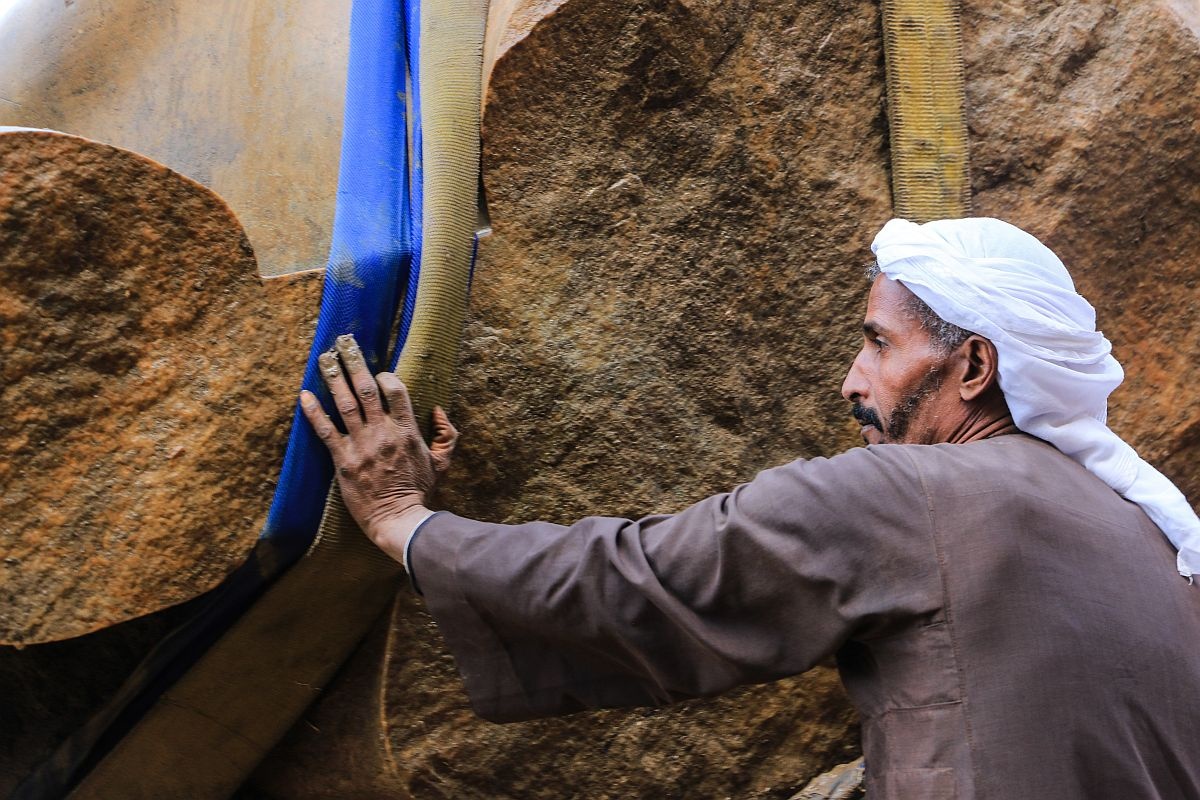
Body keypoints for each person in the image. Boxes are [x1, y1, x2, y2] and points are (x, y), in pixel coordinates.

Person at [299, 217, 1200, 799]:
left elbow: (640, 582)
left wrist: (404, 521)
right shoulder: (1142, 532)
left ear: (972, 369)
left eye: (879, 344)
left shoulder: (916, 495)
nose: (853, 380)